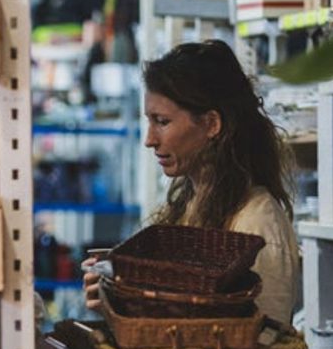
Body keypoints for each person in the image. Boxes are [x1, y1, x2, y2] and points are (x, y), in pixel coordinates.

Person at [84, 39, 299, 324]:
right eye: (149, 121)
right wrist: (117, 301)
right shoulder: (189, 205)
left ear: (212, 124)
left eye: (162, 122)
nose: (150, 140)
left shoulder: (256, 224)